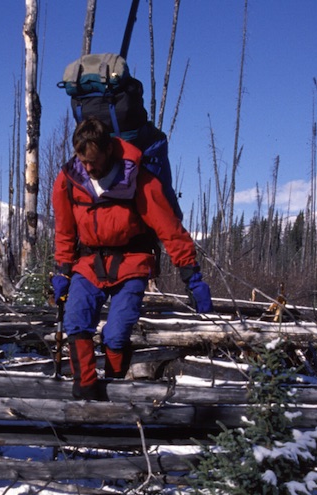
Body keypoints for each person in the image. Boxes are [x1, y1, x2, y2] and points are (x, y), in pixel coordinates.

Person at [51, 117, 213, 400]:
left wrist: (192, 276)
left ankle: (114, 389)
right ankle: (86, 392)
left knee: (115, 334)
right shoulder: (68, 180)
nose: (88, 168)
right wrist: (63, 271)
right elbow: (64, 231)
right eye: (82, 160)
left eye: (93, 161)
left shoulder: (138, 179)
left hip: (132, 262)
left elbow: (169, 228)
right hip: (88, 264)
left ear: (109, 150)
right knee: (76, 321)